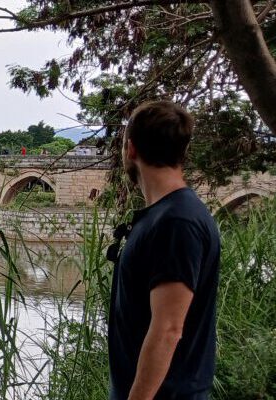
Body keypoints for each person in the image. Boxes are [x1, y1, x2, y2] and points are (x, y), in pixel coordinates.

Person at [107, 100, 220, 400]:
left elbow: (168, 329)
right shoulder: (166, 216)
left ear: (131, 150)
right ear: (182, 152)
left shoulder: (177, 222)